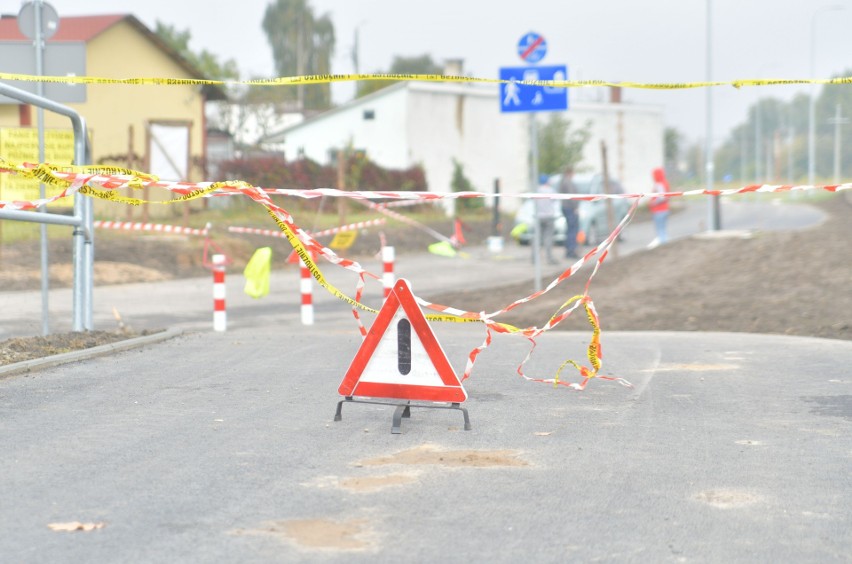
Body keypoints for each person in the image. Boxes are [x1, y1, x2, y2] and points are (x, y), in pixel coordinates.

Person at [534, 173, 559, 264]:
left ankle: (534, 258)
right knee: (548, 238)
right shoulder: (551, 190)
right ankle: (549, 258)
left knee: (537, 238)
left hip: (539, 217)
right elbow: (555, 200)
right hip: (549, 216)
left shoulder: (537, 190)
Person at [559, 166, 580, 259]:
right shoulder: (568, 182)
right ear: (570, 173)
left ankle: (569, 250)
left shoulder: (562, 182)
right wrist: (575, 207)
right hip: (570, 208)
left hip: (565, 207)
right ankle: (571, 251)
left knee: (569, 229)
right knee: (572, 230)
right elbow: (572, 196)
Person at [648, 167, 670, 248]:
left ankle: (664, 246)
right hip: (664, 209)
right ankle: (665, 245)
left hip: (659, 210)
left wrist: (653, 202)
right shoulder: (665, 182)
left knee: (660, 230)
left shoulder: (659, 184)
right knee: (663, 229)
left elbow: (662, 197)